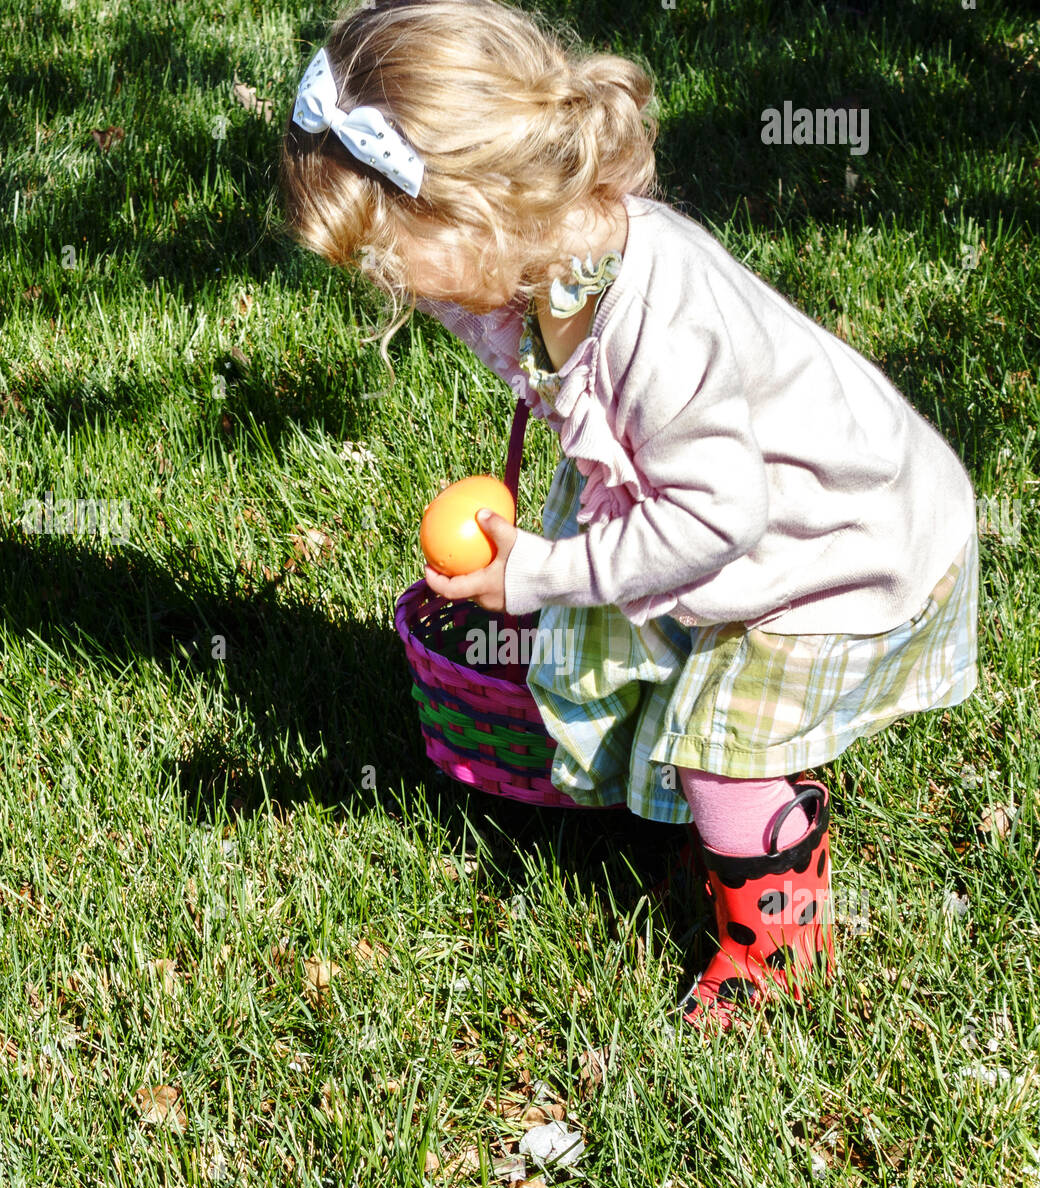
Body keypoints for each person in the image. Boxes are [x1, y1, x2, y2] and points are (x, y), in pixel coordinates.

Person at [278, 0, 980, 1032]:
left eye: (388, 263)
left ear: (479, 215)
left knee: (718, 747)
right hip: (749, 518)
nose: (389, 291)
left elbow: (714, 523)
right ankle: (712, 836)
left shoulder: (658, 318)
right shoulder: (537, 260)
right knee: (648, 667)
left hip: (836, 546)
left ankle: (774, 950)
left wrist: (533, 575)